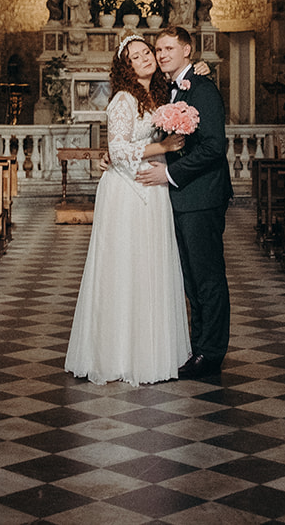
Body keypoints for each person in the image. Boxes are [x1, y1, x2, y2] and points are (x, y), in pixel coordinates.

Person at [64, 35, 190, 385]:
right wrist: (162, 147)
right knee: (125, 267)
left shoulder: (159, 95)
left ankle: (150, 351)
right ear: (126, 66)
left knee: (150, 265)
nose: (146, 58)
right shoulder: (123, 99)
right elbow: (118, 150)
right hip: (127, 191)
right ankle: (118, 354)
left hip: (153, 188)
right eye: (136, 56)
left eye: (147, 52)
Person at [136, 25, 230, 378]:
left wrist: (170, 174)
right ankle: (198, 346)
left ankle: (211, 353)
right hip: (182, 198)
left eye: (169, 49)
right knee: (191, 278)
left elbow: (214, 146)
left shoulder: (202, 89)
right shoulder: (170, 89)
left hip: (201, 196)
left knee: (207, 277)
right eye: (158, 49)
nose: (161, 55)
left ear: (187, 50)